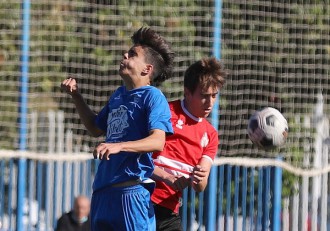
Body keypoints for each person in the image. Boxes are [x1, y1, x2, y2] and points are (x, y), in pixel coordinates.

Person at [60, 27, 174, 231]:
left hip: (130, 195)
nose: (125, 55)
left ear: (147, 69)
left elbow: (158, 141)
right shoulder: (118, 96)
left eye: (132, 54)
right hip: (103, 194)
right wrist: (76, 96)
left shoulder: (153, 97)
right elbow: (96, 128)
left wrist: (119, 146)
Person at [151, 57, 227, 231]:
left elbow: (200, 186)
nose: (210, 103)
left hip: (169, 210)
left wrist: (200, 178)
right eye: (204, 96)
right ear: (187, 92)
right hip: (142, 199)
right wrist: (166, 177)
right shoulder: (165, 112)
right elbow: (138, 159)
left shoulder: (210, 134)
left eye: (214, 96)